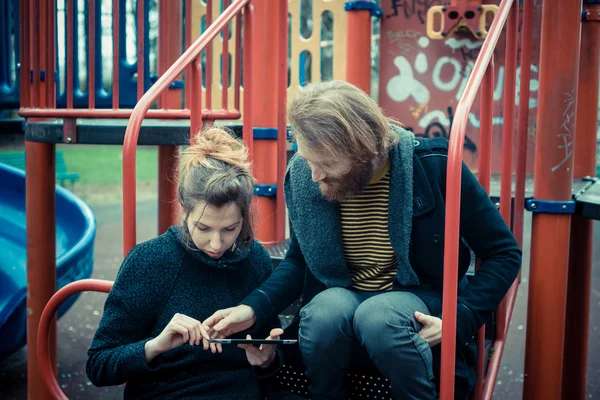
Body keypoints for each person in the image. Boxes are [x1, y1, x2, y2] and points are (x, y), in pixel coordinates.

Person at [203, 80, 522, 400]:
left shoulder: (433, 167)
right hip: (344, 300)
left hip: (414, 301)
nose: (314, 175)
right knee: (324, 310)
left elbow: (503, 253)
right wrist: (253, 308)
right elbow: (300, 261)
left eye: (326, 164)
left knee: (379, 316)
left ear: (365, 149)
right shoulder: (305, 175)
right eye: (307, 158)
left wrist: (458, 320)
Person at [86, 127, 296, 399]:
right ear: (184, 210)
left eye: (230, 229)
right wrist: (156, 345)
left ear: (244, 217)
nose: (217, 244)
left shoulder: (255, 259)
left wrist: (267, 360)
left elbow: (268, 358)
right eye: (204, 228)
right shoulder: (150, 262)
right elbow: (99, 365)